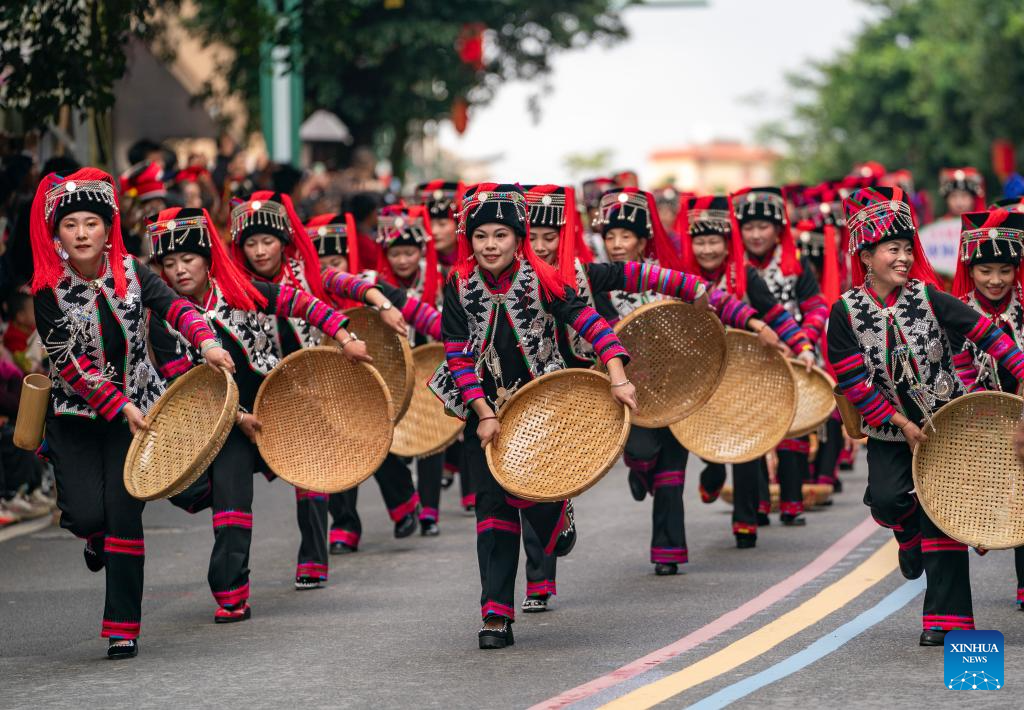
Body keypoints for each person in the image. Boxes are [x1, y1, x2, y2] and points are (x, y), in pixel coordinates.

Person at [30, 168, 233, 659]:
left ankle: (122, 625)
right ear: (57, 232)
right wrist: (117, 405)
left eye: (91, 223)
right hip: (77, 417)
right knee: (85, 514)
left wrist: (204, 341)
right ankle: (92, 537)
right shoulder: (46, 290)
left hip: (139, 412)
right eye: (71, 224)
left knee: (124, 513)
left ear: (108, 229)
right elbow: (71, 365)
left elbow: (175, 307)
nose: (81, 233)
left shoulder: (133, 272)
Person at [430, 183, 636, 649]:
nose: (489, 245)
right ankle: (496, 616)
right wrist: (482, 413)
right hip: (484, 411)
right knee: (493, 512)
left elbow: (590, 323)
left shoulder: (543, 278)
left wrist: (618, 375)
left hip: (545, 408)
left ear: (518, 238)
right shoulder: (458, 285)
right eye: (480, 235)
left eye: (500, 235)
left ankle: (555, 513)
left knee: (540, 510)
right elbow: (458, 355)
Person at [148, 206, 366, 623]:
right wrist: (237, 418)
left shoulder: (239, 287)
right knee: (230, 503)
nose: (178, 271)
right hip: (222, 418)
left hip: (274, 401)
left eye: (188, 259)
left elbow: (300, 302)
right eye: (169, 263)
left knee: (308, 467)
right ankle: (231, 594)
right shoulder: (163, 318)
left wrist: (344, 335)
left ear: (207, 258)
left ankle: (313, 558)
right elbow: (184, 384)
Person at [826, 186, 1024, 645]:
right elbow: (855, 382)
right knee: (888, 499)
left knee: (943, 514)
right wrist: (900, 423)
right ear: (866, 254)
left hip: (946, 427)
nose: (902, 258)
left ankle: (946, 622)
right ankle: (905, 535)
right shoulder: (846, 312)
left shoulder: (930, 297)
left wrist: (1018, 367)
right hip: (890, 430)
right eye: (892, 249)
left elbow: (987, 336)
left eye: (905, 248)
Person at [228, 191, 408, 588]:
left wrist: (382, 304)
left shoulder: (307, 273)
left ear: (284, 241)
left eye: (268, 241)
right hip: (265, 389)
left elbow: (350, 284)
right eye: (252, 243)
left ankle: (314, 557)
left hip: (319, 383)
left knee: (314, 466)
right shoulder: (235, 286)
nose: (260, 251)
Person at [677, 194, 812, 546]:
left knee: (748, 440)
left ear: (726, 243)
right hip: (699, 370)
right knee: (705, 434)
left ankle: (745, 519)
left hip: (743, 369)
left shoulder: (746, 275)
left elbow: (774, 313)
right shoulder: (679, 277)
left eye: (713, 242)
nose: (706, 250)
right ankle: (713, 468)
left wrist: (802, 345)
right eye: (700, 242)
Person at [305, 209, 443, 550]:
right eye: (319, 261)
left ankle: (403, 503)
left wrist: (452, 337)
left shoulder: (366, 282)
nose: (328, 269)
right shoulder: (303, 287)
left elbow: (408, 308)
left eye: (335, 260)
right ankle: (344, 525)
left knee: (374, 440)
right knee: (337, 449)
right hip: (324, 381)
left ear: (348, 257)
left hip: (372, 375)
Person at [734, 186, 823, 526]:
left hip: (792, 351)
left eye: (763, 227)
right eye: (749, 227)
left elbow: (815, 308)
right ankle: (757, 500)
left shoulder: (795, 265)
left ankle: (791, 499)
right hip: (749, 356)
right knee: (753, 426)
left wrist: (806, 342)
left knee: (792, 428)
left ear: (777, 229)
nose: (756, 235)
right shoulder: (735, 267)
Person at [950, 208, 1024, 610]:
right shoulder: (954, 311)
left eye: (1005, 270)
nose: (995, 281)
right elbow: (952, 368)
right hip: (973, 419)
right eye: (985, 271)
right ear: (970, 270)